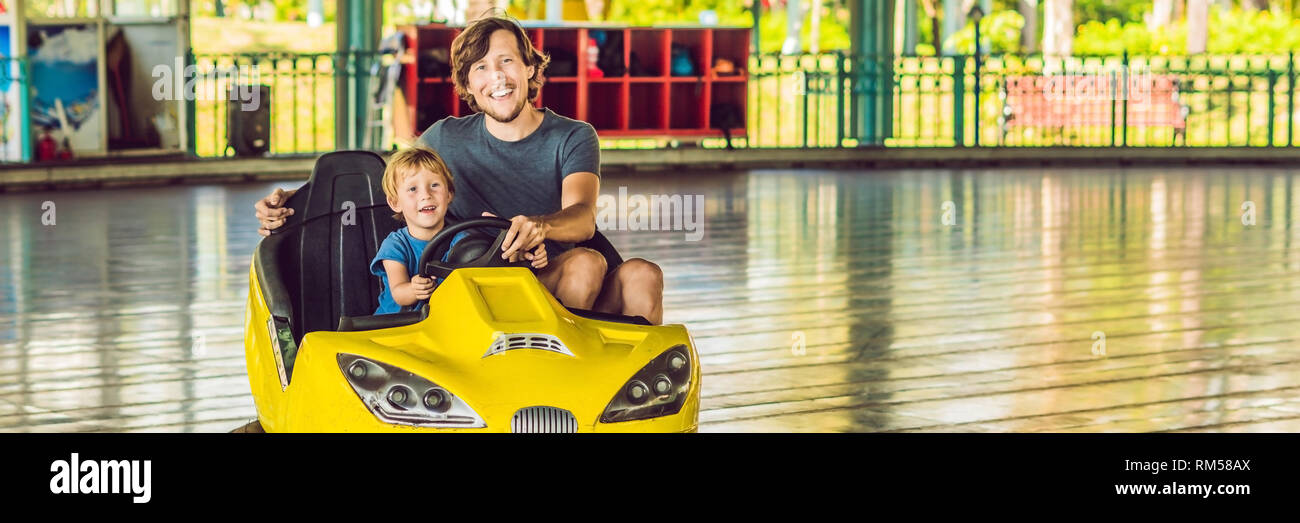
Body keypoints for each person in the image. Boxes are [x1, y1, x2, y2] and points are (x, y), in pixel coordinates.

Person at [256, 15, 665, 324]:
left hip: (553, 272)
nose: (497, 77)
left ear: (530, 68)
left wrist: (538, 226)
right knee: (585, 263)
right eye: (481, 68)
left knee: (642, 274)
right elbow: (395, 184)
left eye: (507, 61)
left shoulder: (573, 136)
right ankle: (552, 385)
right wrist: (294, 200)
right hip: (480, 285)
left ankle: (635, 402)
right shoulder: (444, 138)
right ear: (468, 85)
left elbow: (582, 219)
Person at [371, 146, 547, 315]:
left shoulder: (463, 240)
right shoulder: (395, 245)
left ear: (449, 194)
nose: (426, 195)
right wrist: (413, 289)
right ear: (395, 203)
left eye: (434, 185)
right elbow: (398, 292)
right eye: (413, 189)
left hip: (448, 323)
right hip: (397, 325)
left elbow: (488, 273)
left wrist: (519, 255)